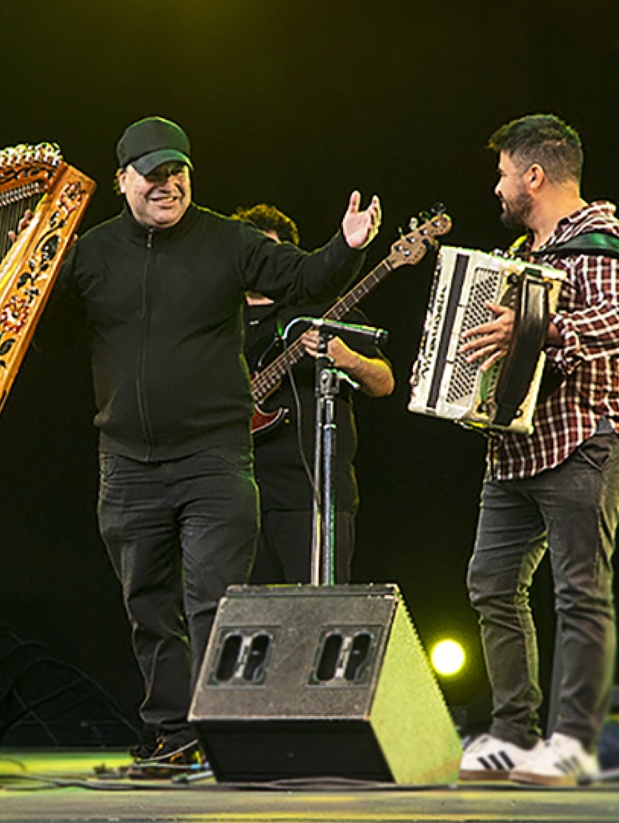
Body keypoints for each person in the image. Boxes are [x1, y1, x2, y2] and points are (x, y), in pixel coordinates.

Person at [43, 117, 381, 776]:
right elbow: (53, 337)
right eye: (152, 174)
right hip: (127, 459)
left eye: (178, 172)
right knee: (147, 603)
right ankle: (173, 734)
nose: (167, 185)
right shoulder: (93, 251)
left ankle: (226, 734)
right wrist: (38, 275)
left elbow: (307, 280)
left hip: (213, 456)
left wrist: (346, 246)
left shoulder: (229, 240)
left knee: (214, 600)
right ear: (122, 179)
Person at [457, 114, 619, 786]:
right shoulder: (523, 257)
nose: (498, 187)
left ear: (533, 175)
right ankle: (514, 732)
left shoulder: (604, 239)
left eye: (505, 173)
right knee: (491, 583)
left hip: (585, 436)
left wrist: (535, 329)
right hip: (515, 449)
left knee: (579, 592)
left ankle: (570, 740)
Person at [235, 204, 394, 584]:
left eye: (271, 256)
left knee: (315, 618)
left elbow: (384, 381)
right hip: (236, 500)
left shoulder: (321, 310)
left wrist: (347, 358)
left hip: (311, 497)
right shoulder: (219, 318)